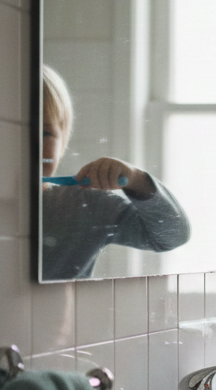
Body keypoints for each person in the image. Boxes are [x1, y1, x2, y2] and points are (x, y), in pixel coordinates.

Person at [41, 65, 191, 280]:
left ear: (62, 144)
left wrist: (136, 180)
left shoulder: (87, 208)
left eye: (45, 132)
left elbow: (172, 236)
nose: (30, 143)